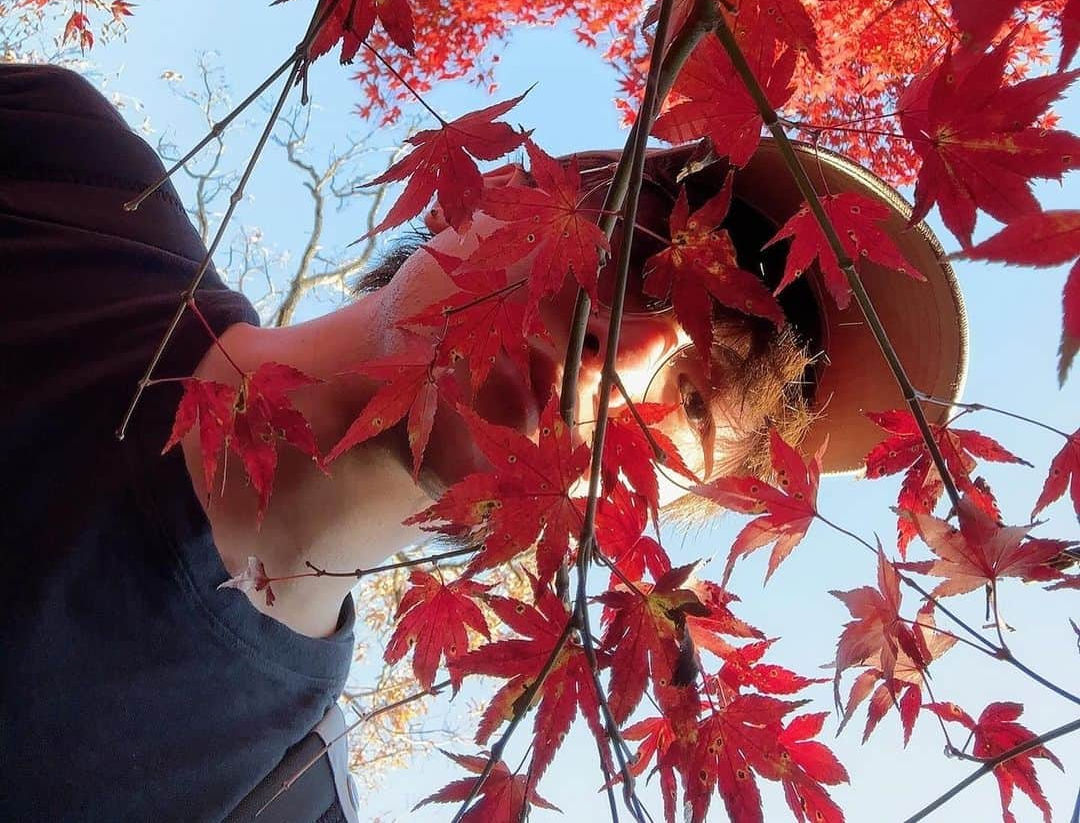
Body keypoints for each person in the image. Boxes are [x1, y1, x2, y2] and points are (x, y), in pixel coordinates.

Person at [0, 63, 966, 823]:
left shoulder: (268, 801)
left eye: (693, 403)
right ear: (498, 194)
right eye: (634, 257)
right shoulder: (63, 167)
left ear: (641, 515)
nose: (622, 355)